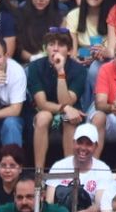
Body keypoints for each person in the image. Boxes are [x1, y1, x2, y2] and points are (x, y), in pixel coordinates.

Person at [44, 120, 114, 212]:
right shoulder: (59, 166)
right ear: (73, 143)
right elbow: (49, 201)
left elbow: (100, 205)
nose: (83, 148)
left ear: (96, 146)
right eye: (80, 143)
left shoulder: (103, 169)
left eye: (88, 144)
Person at [29, 27, 88, 169]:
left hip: (71, 113)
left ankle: (69, 172)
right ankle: (39, 173)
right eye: (51, 45)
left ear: (68, 50)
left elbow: (67, 101)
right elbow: (41, 103)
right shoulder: (35, 67)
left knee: (69, 119)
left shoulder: (79, 70)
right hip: (44, 111)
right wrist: (65, 108)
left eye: (60, 45)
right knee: (44, 117)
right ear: (46, 48)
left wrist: (61, 71)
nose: (55, 49)